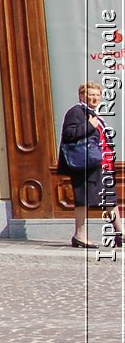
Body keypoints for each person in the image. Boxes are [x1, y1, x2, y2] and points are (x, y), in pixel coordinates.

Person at [58, 81, 122, 248]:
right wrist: (89, 125)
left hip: (99, 164)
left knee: (110, 198)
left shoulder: (92, 113)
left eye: (97, 95)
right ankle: (79, 235)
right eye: (90, 94)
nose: (94, 98)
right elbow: (69, 134)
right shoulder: (76, 112)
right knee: (83, 200)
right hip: (83, 165)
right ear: (81, 96)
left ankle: (120, 233)